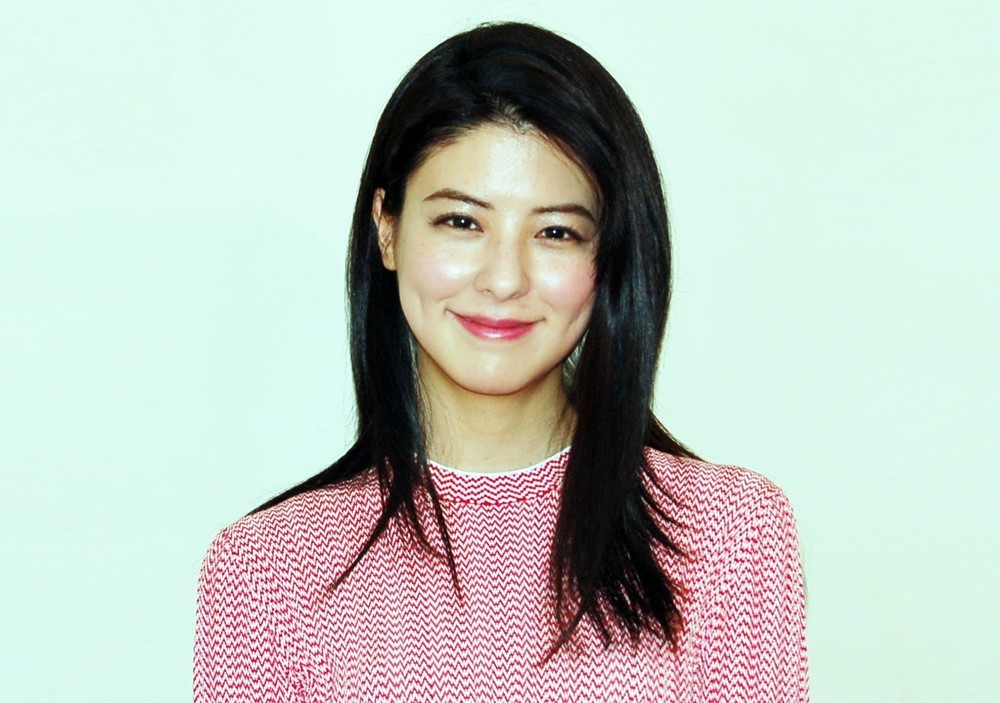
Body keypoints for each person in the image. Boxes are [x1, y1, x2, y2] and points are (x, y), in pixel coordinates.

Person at [193, 21, 808, 702]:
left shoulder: (729, 536)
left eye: (556, 232)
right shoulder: (267, 572)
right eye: (462, 222)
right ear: (387, 228)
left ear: (608, 258)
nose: (505, 279)